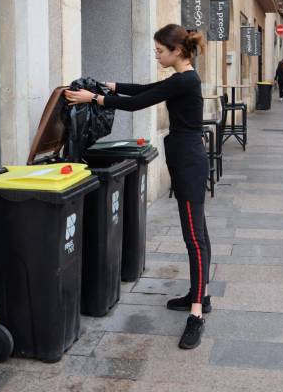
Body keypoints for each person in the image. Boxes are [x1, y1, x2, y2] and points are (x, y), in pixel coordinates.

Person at [64, 24, 211, 349]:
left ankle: (197, 313)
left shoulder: (185, 80)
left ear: (177, 51)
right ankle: (199, 294)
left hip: (188, 164)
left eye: (160, 51)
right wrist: (113, 85)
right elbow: (147, 89)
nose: (157, 55)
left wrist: (96, 98)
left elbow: (138, 103)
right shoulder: (183, 78)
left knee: (194, 238)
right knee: (198, 233)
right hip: (188, 159)